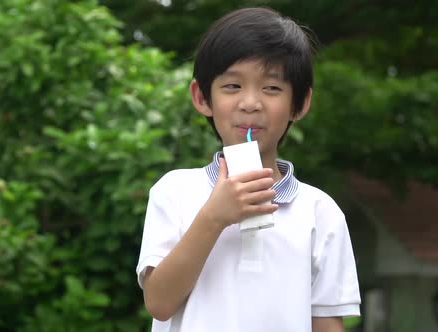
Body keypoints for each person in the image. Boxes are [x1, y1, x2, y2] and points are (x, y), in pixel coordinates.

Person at [136, 7, 361, 332]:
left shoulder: (321, 212)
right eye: (232, 86)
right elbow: (159, 303)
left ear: (299, 104)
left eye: (272, 88)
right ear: (202, 97)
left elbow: (326, 323)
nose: (251, 103)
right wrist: (214, 216)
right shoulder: (175, 191)